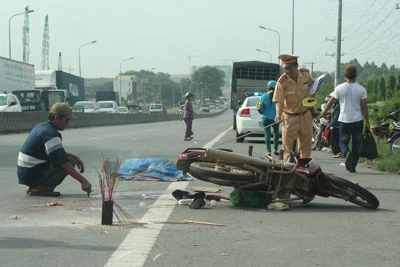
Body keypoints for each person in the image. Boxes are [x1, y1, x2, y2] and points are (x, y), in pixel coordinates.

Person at [17, 102, 92, 197]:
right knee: (70, 162)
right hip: (31, 174)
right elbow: (63, 162)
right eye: (66, 120)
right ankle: (40, 188)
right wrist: (83, 181)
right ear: (57, 118)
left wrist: (73, 155)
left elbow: (53, 151)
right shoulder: (51, 134)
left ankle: (35, 186)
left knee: (69, 158)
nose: (67, 124)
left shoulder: (42, 127)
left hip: (27, 173)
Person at [322, 64, 370, 173]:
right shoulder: (362, 89)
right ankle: (352, 166)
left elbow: (330, 102)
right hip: (358, 121)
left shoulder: (340, 88)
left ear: (345, 75)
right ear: (356, 75)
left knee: (342, 142)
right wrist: (367, 122)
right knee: (357, 144)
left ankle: (347, 153)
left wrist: (324, 112)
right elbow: (364, 107)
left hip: (344, 121)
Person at [273, 54, 315, 160]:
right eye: (285, 68)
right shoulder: (282, 82)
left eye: (289, 68)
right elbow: (279, 101)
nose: (287, 71)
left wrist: (312, 95)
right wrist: (278, 115)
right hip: (290, 118)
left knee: (306, 146)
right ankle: (289, 169)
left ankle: (304, 168)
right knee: (288, 149)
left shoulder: (305, 74)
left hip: (305, 115)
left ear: (296, 65)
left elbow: (314, 84)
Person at [260, 80, 280, 157]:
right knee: (276, 133)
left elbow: (259, 106)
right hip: (275, 118)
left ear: (268, 88)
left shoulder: (264, 96)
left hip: (265, 118)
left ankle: (268, 151)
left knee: (267, 134)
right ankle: (276, 149)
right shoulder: (278, 96)